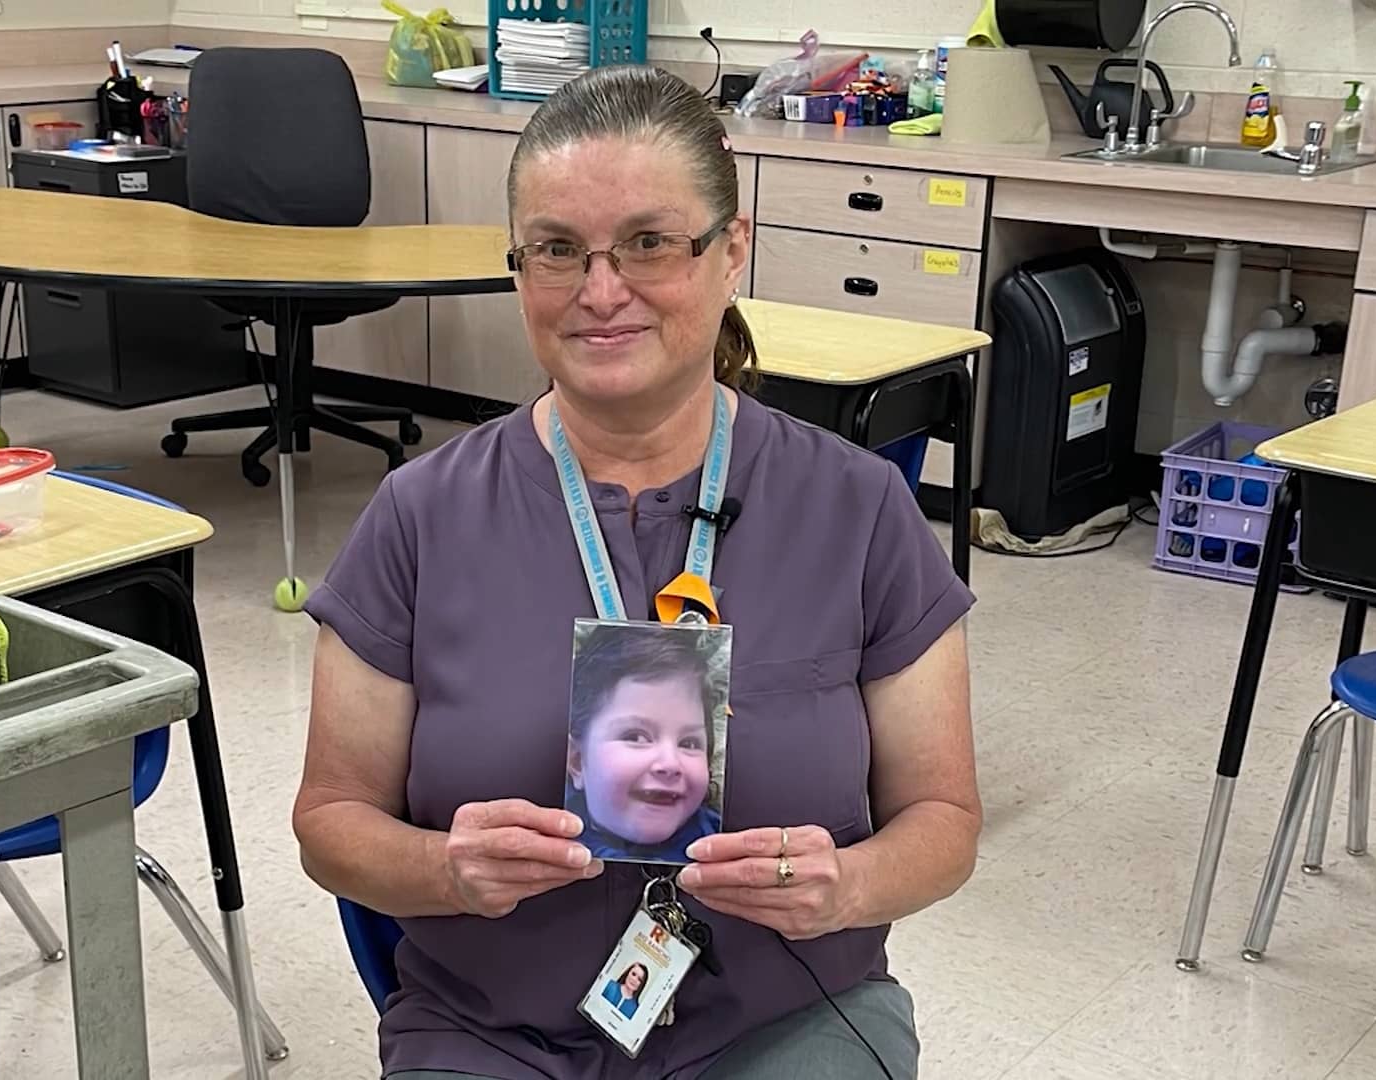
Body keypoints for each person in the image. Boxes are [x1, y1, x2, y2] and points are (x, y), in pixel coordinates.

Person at [292, 63, 980, 1080]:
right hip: (494, 1033)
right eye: (557, 250)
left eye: (650, 242)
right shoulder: (420, 517)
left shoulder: (860, 509)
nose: (601, 291)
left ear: (731, 251)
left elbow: (945, 821)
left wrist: (851, 886)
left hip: (788, 1017)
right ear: (519, 268)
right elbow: (328, 822)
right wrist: (443, 867)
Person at [567, 623, 724, 863]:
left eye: (689, 743)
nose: (670, 764)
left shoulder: (727, 843)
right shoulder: (538, 847)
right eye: (636, 737)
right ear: (577, 761)